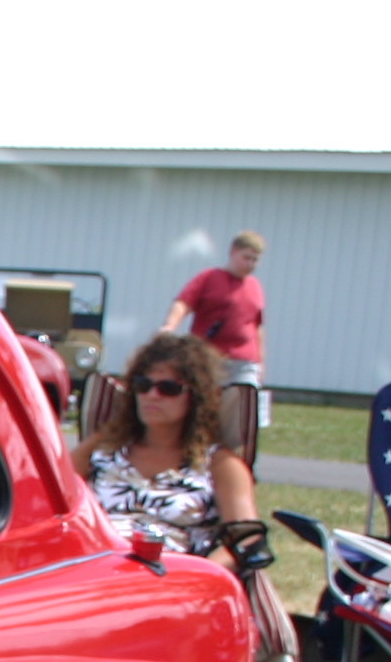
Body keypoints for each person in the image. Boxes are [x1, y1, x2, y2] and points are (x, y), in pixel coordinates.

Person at [83, 333, 257, 568]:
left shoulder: (219, 464)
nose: (152, 395)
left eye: (168, 388)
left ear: (195, 397)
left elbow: (246, 539)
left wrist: (202, 576)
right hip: (94, 570)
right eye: (142, 385)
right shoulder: (102, 447)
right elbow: (47, 498)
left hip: (172, 580)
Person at [163, 230, 266, 387]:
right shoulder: (209, 277)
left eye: (255, 260)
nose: (250, 264)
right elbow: (183, 303)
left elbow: (257, 326)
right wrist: (169, 326)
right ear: (233, 252)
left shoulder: (255, 286)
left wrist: (260, 362)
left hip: (244, 363)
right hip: (208, 357)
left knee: (246, 404)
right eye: (246, 258)